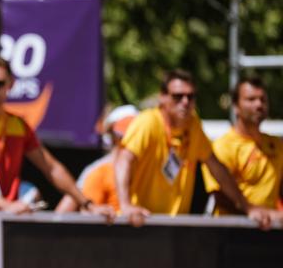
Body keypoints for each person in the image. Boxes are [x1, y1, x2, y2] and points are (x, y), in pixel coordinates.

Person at [0, 55, 112, 218]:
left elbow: (51, 167)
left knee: (33, 195)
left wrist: (87, 204)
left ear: (11, 84)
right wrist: (6, 205)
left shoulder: (19, 125)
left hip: (10, 215)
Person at [115, 69, 273, 228]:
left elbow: (216, 168)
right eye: (177, 96)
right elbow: (124, 159)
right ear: (162, 97)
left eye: (190, 96)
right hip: (141, 222)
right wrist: (126, 205)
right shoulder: (148, 122)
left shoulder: (193, 125)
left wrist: (247, 207)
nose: (185, 102)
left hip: (173, 228)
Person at [202, 76, 283, 218]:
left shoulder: (276, 144)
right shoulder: (223, 146)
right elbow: (218, 195)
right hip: (233, 231)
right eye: (251, 99)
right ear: (235, 107)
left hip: (270, 230)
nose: (259, 104)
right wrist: (253, 212)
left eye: (263, 99)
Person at [55, 105, 137, 214]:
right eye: (122, 136)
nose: (134, 141)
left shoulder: (149, 168)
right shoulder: (98, 171)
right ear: (112, 136)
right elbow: (77, 214)